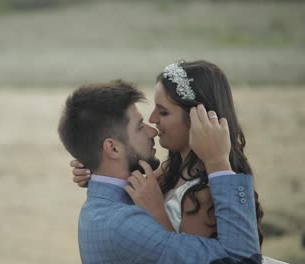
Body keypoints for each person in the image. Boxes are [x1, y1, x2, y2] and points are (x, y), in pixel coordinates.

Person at [70, 61, 287, 264]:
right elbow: (130, 183)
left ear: (195, 120)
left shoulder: (201, 192)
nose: (153, 120)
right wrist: (95, 165)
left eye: (163, 112)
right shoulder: (170, 168)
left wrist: (157, 213)